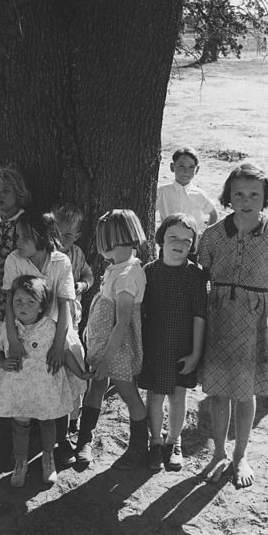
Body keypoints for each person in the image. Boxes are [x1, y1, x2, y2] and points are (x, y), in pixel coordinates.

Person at [197, 163, 268, 489]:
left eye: (254, 194)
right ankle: (219, 452)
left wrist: (251, 304)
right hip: (218, 319)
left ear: (265, 197)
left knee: (244, 390)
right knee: (219, 390)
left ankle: (241, 455)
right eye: (238, 193)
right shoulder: (212, 236)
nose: (246, 199)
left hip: (253, 321)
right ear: (229, 197)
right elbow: (205, 276)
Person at [3, 208, 88, 466]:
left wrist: (60, 345)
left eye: (24, 237)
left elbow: (65, 306)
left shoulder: (60, 261)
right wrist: (13, 339)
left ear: (42, 237)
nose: (18, 242)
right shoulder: (14, 260)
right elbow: (8, 302)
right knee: (19, 376)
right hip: (23, 330)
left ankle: (61, 438)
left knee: (64, 374)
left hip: (57, 328)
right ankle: (22, 445)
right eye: (17, 236)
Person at [0, 275, 91, 487]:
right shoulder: (4, 328)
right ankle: (20, 462)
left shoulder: (51, 328)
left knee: (47, 422)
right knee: (20, 424)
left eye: (30, 302)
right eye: (18, 301)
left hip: (45, 388)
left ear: (41, 306)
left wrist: (80, 373)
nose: (23, 306)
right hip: (17, 389)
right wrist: (1, 362)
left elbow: (64, 354)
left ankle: (48, 458)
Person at [76, 209, 149, 469]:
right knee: (96, 387)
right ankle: (85, 439)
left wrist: (106, 361)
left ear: (111, 239)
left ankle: (140, 446)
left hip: (116, 350)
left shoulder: (127, 275)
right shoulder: (116, 269)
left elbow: (123, 324)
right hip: (102, 346)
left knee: (129, 394)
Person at [139, 213, 207, 472]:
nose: (179, 244)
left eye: (187, 241)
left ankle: (173, 442)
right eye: (173, 238)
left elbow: (200, 316)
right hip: (155, 345)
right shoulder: (149, 272)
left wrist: (195, 354)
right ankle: (155, 442)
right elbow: (141, 313)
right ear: (161, 239)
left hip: (182, 347)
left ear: (193, 245)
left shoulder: (195, 276)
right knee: (155, 395)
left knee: (178, 395)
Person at [0, 167, 32, 402]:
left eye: (6, 191)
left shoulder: (23, 222)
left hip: (14, 285)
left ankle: (14, 379)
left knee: (12, 326)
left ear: (18, 193)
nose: (0, 195)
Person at [51, 202, 94, 465]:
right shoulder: (47, 254)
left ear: (76, 236)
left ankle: (73, 421)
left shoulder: (76, 253)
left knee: (74, 365)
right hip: (51, 319)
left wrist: (83, 284)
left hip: (73, 320)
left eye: (67, 234)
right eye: (57, 231)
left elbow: (89, 274)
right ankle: (55, 427)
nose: (61, 238)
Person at [157, 146, 218, 234]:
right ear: (172, 167)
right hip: (168, 238)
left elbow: (214, 214)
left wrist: (205, 234)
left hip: (192, 240)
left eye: (191, 167)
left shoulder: (200, 194)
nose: (186, 171)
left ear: (197, 170)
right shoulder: (162, 192)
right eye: (181, 166)